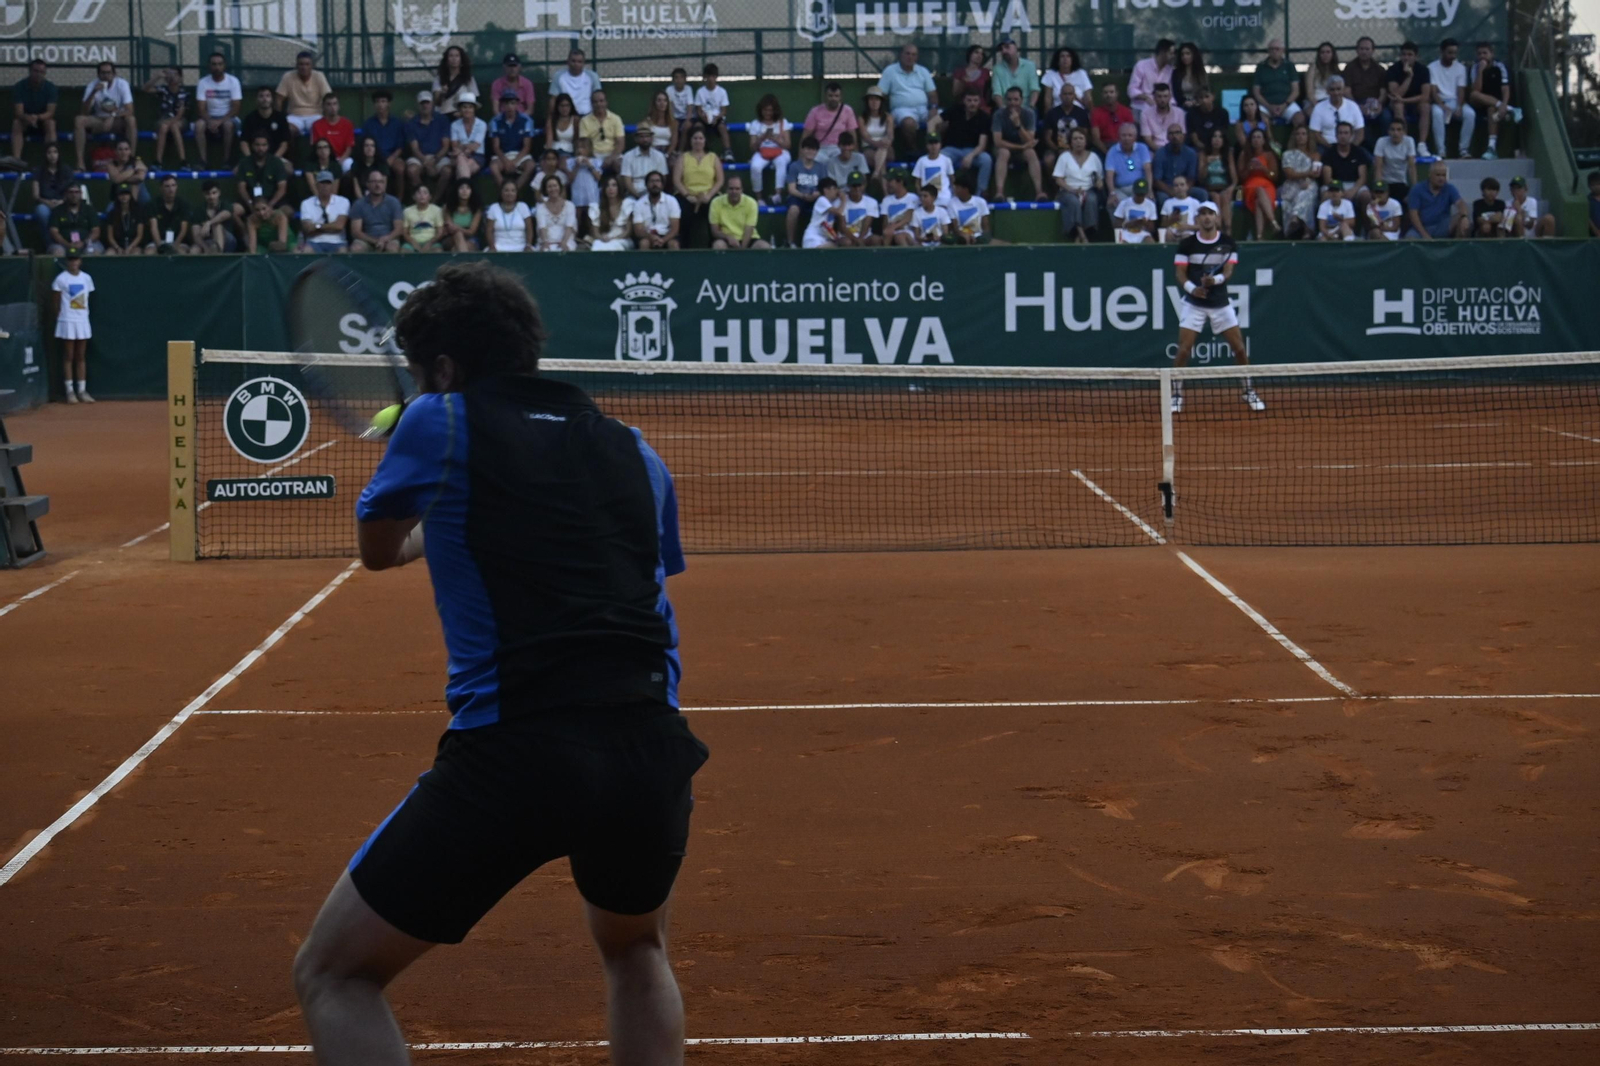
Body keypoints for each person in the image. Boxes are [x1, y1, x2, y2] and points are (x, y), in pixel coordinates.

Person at [295, 258, 708, 1064]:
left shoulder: (436, 421)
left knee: (333, 974)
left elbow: (380, 549)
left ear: (443, 369)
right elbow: (625, 569)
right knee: (636, 951)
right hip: (651, 752)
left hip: (519, 753)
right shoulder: (637, 451)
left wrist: (435, 506)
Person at [1171, 202, 1261, 413]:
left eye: (1210, 213)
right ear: (1197, 220)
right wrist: (1194, 289)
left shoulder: (1228, 243)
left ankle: (1249, 391)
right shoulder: (1187, 245)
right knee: (1184, 350)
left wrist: (1216, 279)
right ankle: (1176, 394)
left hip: (1220, 303)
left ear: (1217, 218)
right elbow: (1180, 274)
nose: (1206, 217)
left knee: (1239, 348)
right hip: (1194, 303)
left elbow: (1228, 271)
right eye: (1202, 214)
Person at [878, 44, 940, 157]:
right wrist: (885, 113)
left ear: (916, 57)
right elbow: (881, 94)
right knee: (908, 123)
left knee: (943, 121)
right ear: (901, 55)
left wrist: (934, 108)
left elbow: (932, 94)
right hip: (901, 110)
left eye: (913, 55)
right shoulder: (890, 71)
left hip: (923, 109)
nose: (910, 57)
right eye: (907, 53)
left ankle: (936, 151)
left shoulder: (923, 71)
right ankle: (914, 151)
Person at [73, 62, 136, 172]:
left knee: (131, 120)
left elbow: (129, 110)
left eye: (108, 73)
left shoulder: (122, 84)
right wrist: (93, 92)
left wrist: (112, 115)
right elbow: (84, 112)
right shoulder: (92, 85)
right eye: (103, 73)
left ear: (114, 74)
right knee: (79, 120)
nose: (106, 76)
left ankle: (131, 160)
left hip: (117, 120)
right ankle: (80, 164)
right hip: (99, 120)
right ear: (98, 75)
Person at [52, 252, 94, 404]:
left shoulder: (87, 278)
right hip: (67, 320)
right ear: (67, 262)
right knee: (69, 356)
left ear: (80, 261)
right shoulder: (60, 279)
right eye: (70, 259)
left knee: (81, 356)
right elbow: (55, 302)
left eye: (76, 259)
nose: (73, 262)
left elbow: (88, 299)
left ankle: (82, 390)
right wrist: (62, 318)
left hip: (82, 320)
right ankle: (70, 391)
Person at [672, 126, 723, 248]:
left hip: (708, 195)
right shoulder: (683, 157)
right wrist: (687, 195)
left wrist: (709, 195)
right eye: (695, 138)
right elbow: (677, 180)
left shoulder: (713, 157)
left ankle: (714, 246)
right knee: (683, 212)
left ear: (705, 141)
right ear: (690, 140)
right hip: (687, 195)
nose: (698, 141)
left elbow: (720, 180)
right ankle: (684, 248)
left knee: (714, 211)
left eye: (701, 138)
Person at [991, 87, 1045, 201]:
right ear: (1005, 101)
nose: (1012, 103)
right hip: (1004, 148)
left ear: (1021, 100)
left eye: (1016, 99)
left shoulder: (1029, 113)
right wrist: (1021, 146)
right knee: (1004, 153)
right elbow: (998, 141)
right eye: (1009, 100)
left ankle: (1039, 192)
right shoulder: (999, 114)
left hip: (1023, 149)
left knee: (1031, 153)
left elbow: (1030, 140)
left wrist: (1018, 125)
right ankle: (1000, 192)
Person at [1053, 127, 1102, 243]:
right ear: (1070, 142)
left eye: (1081, 138)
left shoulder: (1094, 157)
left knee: (1091, 199)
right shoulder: (1064, 157)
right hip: (1068, 190)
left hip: (1088, 190)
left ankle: (1084, 234)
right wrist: (1072, 190)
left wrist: (1099, 184)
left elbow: (1100, 179)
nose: (1078, 141)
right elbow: (1058, 179)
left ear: (1086, 141)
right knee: (1073, 201)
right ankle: (1081, 235)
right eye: (1075, 139)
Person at [940, 88, 993, 195]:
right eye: (969, 100)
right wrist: (933, 140)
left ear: (979, 102)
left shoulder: (984, 118)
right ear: (964, 101)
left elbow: (982, 145)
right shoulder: (955, 110)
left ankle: (980, 194)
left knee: (986, 160)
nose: (972, 103)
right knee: (939, 158)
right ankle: (946, 193)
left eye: (975, 100)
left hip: (972, 150)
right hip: (951, 149)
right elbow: (933, 122)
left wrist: (970, 156)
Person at [193, 52, 242, 166]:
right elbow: (201, 107)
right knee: (199, 125)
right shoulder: (203, 82)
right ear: (209, 66)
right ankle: (203, 161)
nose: (217, 67)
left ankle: (226, 161)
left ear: (224, 65)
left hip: (228, 117)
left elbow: (236, 107)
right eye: (214, 64)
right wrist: (210, 121)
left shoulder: (233, 81)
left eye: (220, 64)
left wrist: (220, 121)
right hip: (209, 117)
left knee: (228, 125)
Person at [1468, 42, 1516, 160]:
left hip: (1494, 104)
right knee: (1474, 94)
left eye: (1485, 53)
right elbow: (1476, 90)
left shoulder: (1500, 67)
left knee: (1491, 110)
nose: (1482, 56)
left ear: (1491, 54)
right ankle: (1512, 109)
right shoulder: (1475, 68)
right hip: (1479, 103)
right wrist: (1480, 71)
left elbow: (1505, 88)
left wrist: (1504, 103)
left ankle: (1491, 147)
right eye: (1479, 54)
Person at [1429, 39, 1475, 158]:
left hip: (1455, 102)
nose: (1452, 56)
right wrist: (1442, 106)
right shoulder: (1432, 68)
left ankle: (1463, 150)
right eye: (1449, 53)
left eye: (1455, 53)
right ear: (1442, 52)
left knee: (1470, 114)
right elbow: (1433, 91)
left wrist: (1459, 107)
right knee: (1437, 114)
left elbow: (1461, 90)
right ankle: (1441, 151)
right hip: (1439, 102)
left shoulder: (1460, 68)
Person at [1039, 82, 1090, 185]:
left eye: (1070, 94)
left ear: (1074, 96)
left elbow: (1085, 135)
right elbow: (1047, 137)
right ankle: (1055, 185)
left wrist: (1074, 149)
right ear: (1060, 96)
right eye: (1065, 94)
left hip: (1077, 148)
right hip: (1056, 148)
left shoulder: (1081, 113)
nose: (1067, 97)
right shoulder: (1052, 113)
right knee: (1048, 160)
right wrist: (1058, 149)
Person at [1384, 41, 1432, 148]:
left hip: (1415, 102)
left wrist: (1404, 100)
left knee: (1425, 106)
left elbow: (1425, 95)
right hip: (1397, 103)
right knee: (1398, 106)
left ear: (1416, 57)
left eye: (1410, 55)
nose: (1406, 57)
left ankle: (1422, 144)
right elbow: (1396, 94)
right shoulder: (1393, 70)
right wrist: (1409, 77)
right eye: (1404, 54)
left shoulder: (1423, 70)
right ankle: (1405, 143)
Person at [488, 89, 538, 191]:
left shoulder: (526, 120)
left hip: (520, 155)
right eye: (507, 103)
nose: (510, 106)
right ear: (502, 105)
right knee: (493, 167)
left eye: (512, 103)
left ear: (517, 104)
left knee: (531, 165)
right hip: (503, 155)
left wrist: (514, 162)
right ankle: (505, 191)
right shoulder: (495, 121)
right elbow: (496, 147)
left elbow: (526, 147)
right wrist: (506, 162)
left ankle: (514, 191)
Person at [139, 66, 187, 168]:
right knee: (163, 127)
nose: (172, 77)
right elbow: (145, 89)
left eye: (175, 74)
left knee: (173, 126)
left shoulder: (184, 92)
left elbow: (180, 114)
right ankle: (158, 162)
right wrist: (157, 77)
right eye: (170, 74)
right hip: (163, 120)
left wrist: (171, 122)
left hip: (179, 120)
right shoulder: (163, 90)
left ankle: (183, 161)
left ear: (180, 77)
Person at [746, 95, 792, 204]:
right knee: (755, 166)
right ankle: (759, 198)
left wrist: (775, 139)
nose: (768, 113)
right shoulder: (755, 124)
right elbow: (752, 147)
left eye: (770, 110)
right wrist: (762, 138)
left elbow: (788, 145)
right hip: (762, 151)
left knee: (781, 161)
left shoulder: (782, 122)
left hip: (780, 151)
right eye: (765, 110)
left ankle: (778, 194)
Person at [1319, 121, 1372, 215]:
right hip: (1334, 185)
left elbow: (1363, 177)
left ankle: (1368, 227)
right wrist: (1340, 191)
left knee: (1366, 196)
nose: (1343, 136)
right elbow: (1327, 179)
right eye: (1340, 133)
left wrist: (1353, 190)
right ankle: (1325, 227)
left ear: (1351, 135)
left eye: (1346, 133)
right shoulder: (1329, 153)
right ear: (1336, 135)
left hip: (1354, 185)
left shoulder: (1359, 152)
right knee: (1325, 195)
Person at [10, 58, 58, 161]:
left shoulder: (51, 88)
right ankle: (16, 161)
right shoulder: (19, 86)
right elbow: (19, 112)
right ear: (30, 71)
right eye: (36, 71)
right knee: (16, 123)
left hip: (42, 121)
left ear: (45, 73)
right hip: (26, 121)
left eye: (42, 72)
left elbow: (50, 112)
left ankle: (50, 161)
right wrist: (28, 117)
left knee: (51, 123)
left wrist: (37, 117)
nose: (38, 74)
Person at [404, 91, 451, 194]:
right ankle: (423, 197)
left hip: (438, 157)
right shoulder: (411, 123)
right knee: (412, 170)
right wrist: (426, 163)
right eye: (422, 103)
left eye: (427, 102)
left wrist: (434, 160)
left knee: (447, 171)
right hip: (420, 157)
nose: (425, 105)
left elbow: (445, 146)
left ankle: (434, 201)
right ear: (418, 105)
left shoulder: (442, 120)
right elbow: (415, 149)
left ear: (432, 103)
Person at [801, 82, 859, 165]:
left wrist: (855, 153)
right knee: (816, 159)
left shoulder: (847, 111)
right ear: (825, 96)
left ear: (840, 97)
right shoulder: (815, 111)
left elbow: (852, 135)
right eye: (830, 96)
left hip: (840, 148)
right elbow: (805, 135)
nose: (833, 99)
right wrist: (801, 157)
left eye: (836, 96)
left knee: (839, 160)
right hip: (820, 148)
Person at [1237, 127, 1281, 239]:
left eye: (1259, 137)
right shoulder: (1244, 154)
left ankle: (1259, 235)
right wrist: (1249, 169)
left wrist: (1264, 169)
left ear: (1263, 140)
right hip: (1250, 185)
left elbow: (1274, 176)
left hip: (1267, 184)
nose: (1256, 140)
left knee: (1258, 201)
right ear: (1250, 140)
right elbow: (1241, 177)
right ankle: (1273, 222)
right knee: (1258, 190)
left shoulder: (1269, 155)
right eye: (1254, 137)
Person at [1278, 124, 1320, 239]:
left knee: (1308, 191)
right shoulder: (1287, 154)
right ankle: (1307, 230)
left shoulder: (1315, 155)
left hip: (1309, 183)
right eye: (1298, 134)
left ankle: (1296, 218)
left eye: (1303, 134)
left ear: (1308, 137)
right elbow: (1289, 173)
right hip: (1291, 184)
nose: (1300, 137)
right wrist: (1307, 174)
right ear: (1294, 137)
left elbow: (1316, 172)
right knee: (1303, 193)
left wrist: (1309, 176)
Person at [1405, 161, 1467, 239]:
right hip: (1421, 227)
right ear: (1430, 175)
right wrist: (1424, 235)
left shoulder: (1449, 188)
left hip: (1442, 226)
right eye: (1438, 175)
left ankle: (1457, 250)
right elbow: (1413, 215)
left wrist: (1464, 216)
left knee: (1463, 221)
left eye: (1443, 175)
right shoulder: (1417, 189)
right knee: (1410, 238)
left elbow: (1460, 203)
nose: (1441, 178)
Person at [1344, 37, 1387, 147]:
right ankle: (1369, 150)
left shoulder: (1379, 69)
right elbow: (1347, 91)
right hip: (1356, 103)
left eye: (1367, 49)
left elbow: (1383, 92)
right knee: (1360, 120)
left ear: (1373, 50)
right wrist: (1357, 106)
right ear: (1357, 50)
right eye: (1361, 49)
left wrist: (1379, 104)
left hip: (1375, 103)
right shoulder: (1350, 68)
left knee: (1386, 117)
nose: (1364, 52)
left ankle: (1385, 148)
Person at [361, 88, 407, 191]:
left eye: (383, 101)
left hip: (393, 156)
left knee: (400, 168)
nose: (380, 104)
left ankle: (399, 201)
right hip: (374, 156)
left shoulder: (397, 123)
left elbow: (400, 146)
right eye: (377, 102)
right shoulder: (368, 124)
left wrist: (392, 158)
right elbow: (364, 144)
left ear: (388, 104)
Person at [784, 135, 827, 246]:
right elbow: (791, 189)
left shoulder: (821, 167)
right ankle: (790, 242)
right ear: (802, 150)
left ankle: (824, 240)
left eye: (813, 149)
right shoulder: (794, 166)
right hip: (798, 197)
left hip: (815, 197)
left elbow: (824, 188)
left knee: (826, 208)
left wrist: (817, 194)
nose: (810, 152)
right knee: (793, 210)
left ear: (817, 151)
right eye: (808, 148)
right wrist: (803, 196)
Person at [275, 52, 330, 137]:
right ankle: (291, 151)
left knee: (320, 128)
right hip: (294, 116)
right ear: (296, 65)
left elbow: (328, 98)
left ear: (312, 66)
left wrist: (327, 117)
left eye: (307, 64)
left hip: (315, 115)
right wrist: (278, 119)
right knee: (286, 130)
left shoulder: (319, 76)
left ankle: (317, 150)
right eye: (301, 64)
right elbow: (279, 99)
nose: (304, 67)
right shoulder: (288, 76)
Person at [1251, 39, 1303, 128]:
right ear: (1268, 51)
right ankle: (1271, 141)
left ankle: (1291, 142)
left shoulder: (1289, 66)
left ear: (1283, 50)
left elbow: (1296, 91)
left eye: (1277, 49)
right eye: (1272, 49)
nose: (1274, 52)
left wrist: (1284, 105)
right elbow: (1256, 92)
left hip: (1287, 104)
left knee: (1300, 119)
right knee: (1260, 120)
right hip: (1266, 105)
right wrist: (1269, 106)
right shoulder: (1261, 67)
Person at [709, 173, 768, 250]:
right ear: (726, 190)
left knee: (764, 246)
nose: (734, 192)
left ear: (742, 190)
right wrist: (728, 237)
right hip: (726, 239)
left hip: (748, 239)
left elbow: (749, 230)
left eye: (737, 189)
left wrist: (741, 251)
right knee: (718, 245)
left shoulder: (751, 203)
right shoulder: (716, 202)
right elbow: (714, 231)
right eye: (731, 189)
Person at [350, 170, 404, 253]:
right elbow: (356, 231)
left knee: (392, 249)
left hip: (389, 239)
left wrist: (385, 239)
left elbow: (399, 229)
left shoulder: (394, 202)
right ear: (368, 184)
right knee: (356, 248)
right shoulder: (359, 204)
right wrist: (375, 241)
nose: (378, 185)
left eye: (381, 182)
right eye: (374, 182)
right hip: (366, 240)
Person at [299, 170, 351, 253]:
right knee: (306, 250)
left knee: (342, 251)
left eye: (328, 183)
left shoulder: (343, 201)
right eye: (322, 183)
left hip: (337, 242)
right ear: (316, 185)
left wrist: (317, 226)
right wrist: (331, 227)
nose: (325, 186)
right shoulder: (306, 203)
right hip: (314, 242)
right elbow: (308, 228)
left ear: (332, 185)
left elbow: (339, 226)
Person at [46, 178, 101, 256]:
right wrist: (67, 244)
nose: (74, 195)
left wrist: (84, 243)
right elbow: (54, 232)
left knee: (92, 251)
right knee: (58, 251)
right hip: (63, 244)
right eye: (71, 192)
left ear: (81, 194)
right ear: (66, 194)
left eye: (76, 192)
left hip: (86, 243)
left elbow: (96, 231)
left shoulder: (89, 209)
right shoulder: (57, 211)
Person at [1104, 122, 1153, 208]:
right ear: (1119, 137)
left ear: (1135, 137)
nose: (1126, 138)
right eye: (1124, 135)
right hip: (1121, 189)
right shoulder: (1112, 151)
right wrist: (1112, 193)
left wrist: (1149, 189)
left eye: (1130, 135)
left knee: (1149, 201)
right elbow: (1109, 175)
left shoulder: (1142, 148)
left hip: (1140, 186)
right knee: (1113, 202)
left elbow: (1148, 170)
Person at [1373, 117, 1417, 207]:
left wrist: (1414, 190)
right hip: (1385, 184)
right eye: (1392, 130)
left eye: (1399, 130)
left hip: (1401, 183)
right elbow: (1378, 167)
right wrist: (1379, 190)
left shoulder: (1409, 141)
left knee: (1412, 201)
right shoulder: (1381, 141)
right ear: (1388, 131)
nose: (1395, 133)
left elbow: (1412, 167)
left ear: (1403, 132)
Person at [1309, 76, 1363, 149]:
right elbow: (1315, 133)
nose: (1336, 93)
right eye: (1332, 89)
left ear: (1343, 90)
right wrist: (1332, 149)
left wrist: (1351, 148)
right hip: (1327, 147)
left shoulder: (1353, 106)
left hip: (1350, 147)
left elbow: (1360, 132)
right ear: (1327, 91)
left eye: (1338, 89)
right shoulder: (1319, 108)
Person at [31, 143, 72, 238]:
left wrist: (62, 201)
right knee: (42, 212)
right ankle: (51, 243)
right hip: (44, 203)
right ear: (45, 155)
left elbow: (72, 189)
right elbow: (35, 195)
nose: (52, 155)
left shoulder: (66, 170)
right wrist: (47, 202)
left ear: (59, 154)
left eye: (55, 152)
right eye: (49, 152)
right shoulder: (38, 170)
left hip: (63, 202)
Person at [1152, 123, 1198, 208]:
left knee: (1202, 194)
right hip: (1167, 188)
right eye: (1171, 133)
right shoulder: (1160, 153)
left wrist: (1183, 190)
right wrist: (1171, 192)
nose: (1174, 136)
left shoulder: (1191, 153)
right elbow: (1157, 180)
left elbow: (1191, 177)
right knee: (1162, 198)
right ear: (1167, 137)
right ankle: (1166, 220)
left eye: (1177, 133)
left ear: (1183, 136)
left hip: (1185, 187)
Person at [632, 170, 682, 250]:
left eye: (657, 181)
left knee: (673, 244)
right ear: (646, 185)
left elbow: (675, 229)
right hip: (647, 235)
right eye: (651, 181)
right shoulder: (639, 203)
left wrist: (663, 240)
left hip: (666, 235)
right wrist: (652, 237)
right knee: (644, 243)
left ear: (662, 185)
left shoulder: (671, 201)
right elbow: (638, 230)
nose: (655, 184)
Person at [693, 63, 732, 161]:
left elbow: (723, 111)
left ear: (716, 77)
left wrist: (717, 118)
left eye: (713, 76)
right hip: (704, 117)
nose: (710, 79)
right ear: (705, 77)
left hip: (717, 118)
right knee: (698, 127)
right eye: (708, 76)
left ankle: (727, 151)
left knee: (722, 127)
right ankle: (700, 150)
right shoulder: (700, 92)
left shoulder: (722, 92)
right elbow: (698, 109)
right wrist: (704, 117)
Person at [580, 90, 626, 173]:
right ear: (591, 104)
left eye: (601, 101)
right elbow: (585, 144)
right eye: (595, 102)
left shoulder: (616, 119)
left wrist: (611, 158)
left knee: (620, 164)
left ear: (606, 102)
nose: (599, 104)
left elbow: (620, 144)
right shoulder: (584, 121)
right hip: (594, 155)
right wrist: (594, 160)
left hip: (612, 154)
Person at [550, 49, 601, 123]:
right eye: (573, 61)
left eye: (579, 62)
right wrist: (551, 119)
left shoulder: (592, 76)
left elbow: (598, 98)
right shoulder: (558, 76)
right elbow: (553, 99)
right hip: (566, 118)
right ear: (568, 62)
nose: (576, 64)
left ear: (584, 63)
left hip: (588, 116)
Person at [990, 35, 1040, 111]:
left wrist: (1031, 106)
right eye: (1002, 49)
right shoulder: (997, 69)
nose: (1004, 51)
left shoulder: (1029, 66)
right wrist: (1004, 110)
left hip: (1026, 107)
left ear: (1015, 48)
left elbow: (1034, 89)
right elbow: (997, 93)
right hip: (1006, 108)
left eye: (1007, 47)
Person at [242, 85, 292, 159]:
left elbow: (284, 143)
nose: (265, 99)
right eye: (261, 96)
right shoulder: (249, 118)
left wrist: (273, 160)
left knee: (288, 169)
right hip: (254, 158)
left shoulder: (280, 118)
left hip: (276, 158)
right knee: (237, 170)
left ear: (272, 99)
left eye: (268, 96)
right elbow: (243, 142)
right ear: (256, 99)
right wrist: (250, 159)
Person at [588, 174, 636, 251]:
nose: (611, 188)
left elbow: (628, 231)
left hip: (622, 239)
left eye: (614, 185)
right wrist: (602, 237)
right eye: (607, 186)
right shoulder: (597, 207)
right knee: (596, 245)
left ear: (618, 188)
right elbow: (595, 232)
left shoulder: (627, 204)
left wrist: (614, 238)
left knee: (613, 246)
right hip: (604, 239)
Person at [147, 175, 193, 254]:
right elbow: (153, 228)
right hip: (159, 241)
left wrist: (174, 246)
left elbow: (183, 229)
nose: (171, 189)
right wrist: (160, 247)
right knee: (149, 252)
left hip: (178, 242)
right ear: (161, 188)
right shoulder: (153, 204)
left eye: (173, 185)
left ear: (177, 187)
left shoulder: (183, 204)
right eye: (167, 186)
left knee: (181, 252)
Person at [1128, 39, 1176, 114]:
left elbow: (1171, 93)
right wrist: (1146, 98)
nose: (1173, 56)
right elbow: (1132, 89)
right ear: (1163, 52)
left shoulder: (1170, 70)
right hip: (1142, 106)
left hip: (1163, 106)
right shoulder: (1142, 65)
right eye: (1171, 53)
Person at [446, 94, 487, 183]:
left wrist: (461, 148)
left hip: (477, 157)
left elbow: (475, 146)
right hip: (458, 157)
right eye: (464, 107)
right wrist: (464, 149)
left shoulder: (482, 124)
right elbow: (454, 146)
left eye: (470, 107)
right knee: (461, 160)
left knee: (460, 166)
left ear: (474, 109)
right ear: (460, 109)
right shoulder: (455, 125)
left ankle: (460, 193)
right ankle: (466, 192)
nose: (467, 110)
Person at [1196, 127, 1236, 219]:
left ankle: (1228, 230)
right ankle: (1219, 228)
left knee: (1225, 197)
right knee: (1216, 197)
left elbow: (1234, 178)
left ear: (1223, 140)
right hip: (1209, 188)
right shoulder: (1203, 154)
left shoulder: (1228, 154)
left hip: (1224, 187)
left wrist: (1231, 188)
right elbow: (1201, 178)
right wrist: (1206, 163)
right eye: (1214, 137)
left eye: (1220, 137)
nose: (1217, 139)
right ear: (1210, 139)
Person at [484, 178, 532, 252]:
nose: (509, 193)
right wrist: (492, 246)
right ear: (501, 192)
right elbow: (489, 231)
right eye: (506, 190)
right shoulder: (494, 208)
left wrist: (528, 245)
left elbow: (529, 229)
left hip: (521, 246)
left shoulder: (523, 206)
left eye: (513, 191)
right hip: (498, 247)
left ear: (516, 193)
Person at [620, 126, 669, 199]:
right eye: (641, 137)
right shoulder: (628, 156)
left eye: (647, 137)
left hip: (654, 193)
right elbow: (627, 182)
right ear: (636, 139)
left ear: (651, 138)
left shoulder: (659, 156)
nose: (645, 139)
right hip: (634, 194)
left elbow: (663, 179)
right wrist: (638, 197)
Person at [311, 92, 356, 171]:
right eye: (329, 104)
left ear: (338, 106)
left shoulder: (347, 124)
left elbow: (349, 147)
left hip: (342, 158)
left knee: (349, 164)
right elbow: (316, 147)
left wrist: (340, 161)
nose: (332, 107)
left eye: (335, 104)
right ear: (324, 107)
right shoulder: (317, 125)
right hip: (324, 159)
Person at [190, 180, 238, 253]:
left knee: (216, 225)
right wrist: (205, 248)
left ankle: (218, 257)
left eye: (214, 193)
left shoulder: (225, 205)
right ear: (203, 194)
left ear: (219, 193)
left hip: (228, 241)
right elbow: (196, 235)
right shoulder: (199, 210)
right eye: (208, 194)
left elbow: (227, 213)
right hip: (208, 242)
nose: (211, 197)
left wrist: (209, 223)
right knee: (194, 249)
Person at [911, 131, 956, 207]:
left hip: (944, 198)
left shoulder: (946, 160)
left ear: (940, 145)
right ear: (927, 145)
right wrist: (922, 196)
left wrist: (954, 195)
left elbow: (952, 180)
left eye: (936, 143)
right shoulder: (921, 161)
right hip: (927, 198)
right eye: (931, 143)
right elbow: (917, 182)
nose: (933, 146)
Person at [534, 175, 578, 252]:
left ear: (560, 187)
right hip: (546, 242)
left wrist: (564, 242)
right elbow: (542, 227)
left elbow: (569, 226)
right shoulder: (540, 207)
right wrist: (545, 242)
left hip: (566, 241)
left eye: (555, 186)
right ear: (545, 189)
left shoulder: (570, 205)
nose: (553, 189)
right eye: (549, 187)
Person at [834, 172, 879, 247]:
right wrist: (855, 240)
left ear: (864, 185)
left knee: (876, 239)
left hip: (864, 236)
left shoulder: (871, 202)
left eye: (859, 185)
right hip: (846, 236)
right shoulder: (841, 201)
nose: (857, 188)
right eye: (854, 186)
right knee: (846, 242)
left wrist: (860, 239)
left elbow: (867, 224)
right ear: (849, 186)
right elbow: (842, 226)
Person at [1042, 47, 1092, 113]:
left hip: (1079, 112)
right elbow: (1047, 100)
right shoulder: (1050, 74)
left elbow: (1088, 98)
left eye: (1068, 56)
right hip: (1058, 112)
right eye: (1062, 56)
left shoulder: (1081, 74)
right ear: (1057, 60)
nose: (1065, 59)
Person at [946, 174, 993, 245]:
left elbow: (985, 225)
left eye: (958, 187)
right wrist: (965, 236)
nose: (955, 189)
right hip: (961, 236)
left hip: (978, 236)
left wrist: (985, 237)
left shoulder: (980, 202)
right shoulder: (952, 203)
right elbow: (955, 228)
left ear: (966, 189)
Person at [432, 45, 478, 117]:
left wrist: (462, 113)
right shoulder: (439, 78)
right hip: (443, 116)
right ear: (446, 60)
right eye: (451, 56)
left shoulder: (469, 78)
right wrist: (442, 94)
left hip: (462, 117)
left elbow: (473, 100)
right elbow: (437, 102)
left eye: (457, 56)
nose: (454, 59)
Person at [1089, 83, 1133, 155]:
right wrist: (1108, 153)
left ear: (1117, 94)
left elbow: (1131, 134)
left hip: (1122, 145)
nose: (1108, 95)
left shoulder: (1126, 111)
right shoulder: (1096, 113)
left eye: (1111, 92)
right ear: (1102, 95)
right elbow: (1096, 139)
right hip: (1103, 146)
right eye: (1105, 92)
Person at [859, 88, 893, 183]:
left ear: (881, 102)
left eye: (877, 99)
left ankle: (876, 173)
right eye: (871, 99)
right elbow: (865, 137)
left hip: (886, 147)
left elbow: (890, 135)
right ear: (867, 101)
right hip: (869, 148)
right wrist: (877, 143)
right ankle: (885, 194)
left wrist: (884, 143)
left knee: (883, 149)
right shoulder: (862, 118)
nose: (874, 102)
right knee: (882, 163)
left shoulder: (888, 117)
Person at [102, 183, 146, 256]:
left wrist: (130, 247)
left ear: (130, 195)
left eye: (126, 194)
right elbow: (110, 236)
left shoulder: (138, 212)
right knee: (109, 253)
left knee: (136, 253)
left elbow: (139, 235)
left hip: (133, 245)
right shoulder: (112, 214)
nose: (124, 196)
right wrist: (117, 248)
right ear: (117, 196)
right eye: (121, 194)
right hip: (117, 245)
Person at [1137, 83, 1184, 150]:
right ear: (1154, 97)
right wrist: (1161, 152)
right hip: (1154, 150)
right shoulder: (1145, 114)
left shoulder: (1179, 113)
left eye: (1165, 96)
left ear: (1170, 97)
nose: (1162, 100)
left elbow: (1182, 135)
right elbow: (1148, 139)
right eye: (1159, 96)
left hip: (1175, 148)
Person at [801, 176, 844, 248]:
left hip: (824, 238)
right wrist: (844, 200)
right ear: (826, 190)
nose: (837, 191)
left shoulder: (833, 202)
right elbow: (839, 212)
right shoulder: (821, 200)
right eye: (834, 188)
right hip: (813, 238)